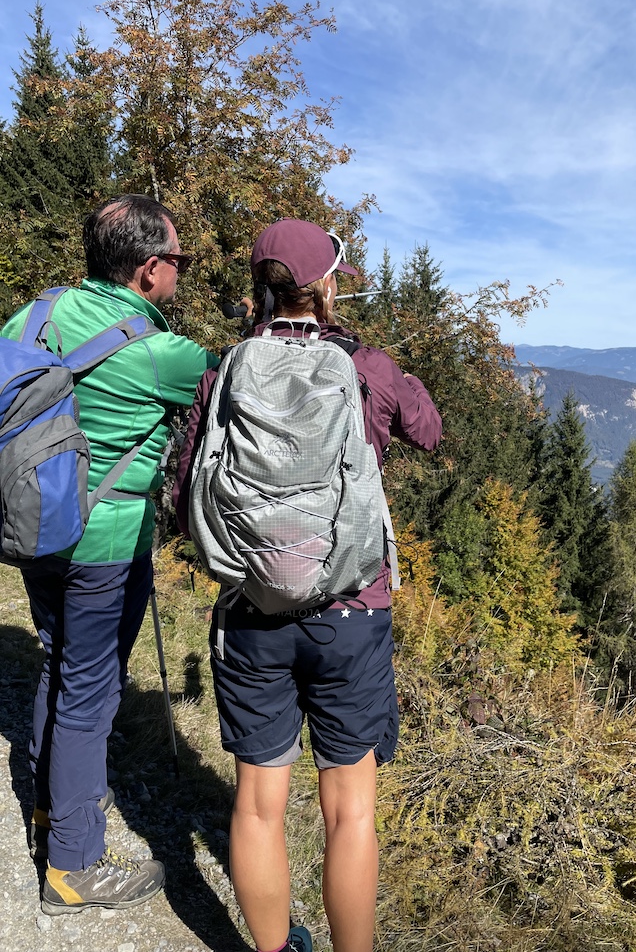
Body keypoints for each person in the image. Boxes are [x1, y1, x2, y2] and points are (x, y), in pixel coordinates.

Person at [173, 219, 442, 952]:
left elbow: (183, 488)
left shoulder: (224, 368)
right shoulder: (366, 366)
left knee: (259, 804)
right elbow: (430, 428)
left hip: (252, 608)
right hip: (352, 610)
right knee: (350, 809)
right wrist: (388, 369)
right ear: (327, 285)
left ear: (261, 287)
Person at [0, 194, 219, 916]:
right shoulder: (163, 353)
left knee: (60, 658)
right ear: (150, 267)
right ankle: (73, 865)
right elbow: (241, 384)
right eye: (180, 260)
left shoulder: (36, 315)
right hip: (105, 547)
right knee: (91, 690)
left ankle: (46, 809)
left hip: (35, 526)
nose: (182, 271)